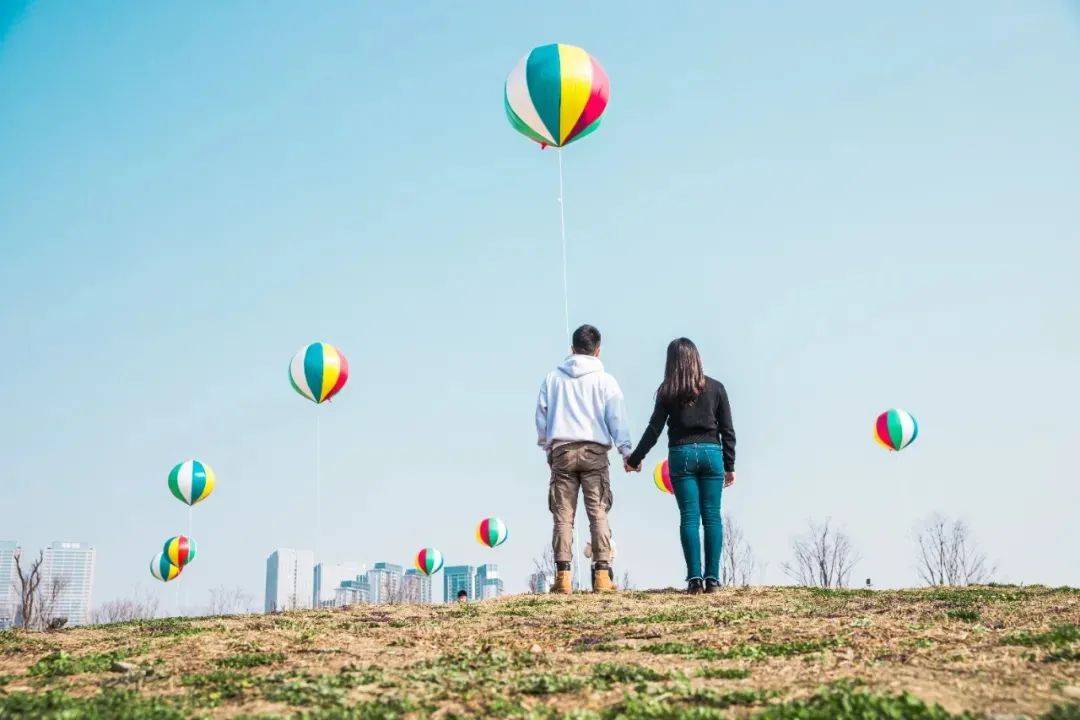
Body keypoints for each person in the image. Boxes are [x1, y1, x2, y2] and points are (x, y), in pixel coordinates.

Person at [626, 338, 736, 594]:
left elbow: (654, 429)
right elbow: (728, 431)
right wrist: (729, 465)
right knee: (712, 516)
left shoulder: (667, 392)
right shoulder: (717, 388)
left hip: (681, 455)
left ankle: (694, 580)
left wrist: (635, 458)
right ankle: (713, 579)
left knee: (689, 517)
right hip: (712, 454)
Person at [536, 324, 632, 594]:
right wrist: (626, 451)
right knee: (598, 512)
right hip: (595, 452)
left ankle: (563, 577)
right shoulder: (606, 380)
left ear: (572, 349)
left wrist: (547, 447)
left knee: (563, 516)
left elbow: (541, 416)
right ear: (597, 351)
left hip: (562, 451)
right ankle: (602, 575)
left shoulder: (553, 378)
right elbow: (617, 417)